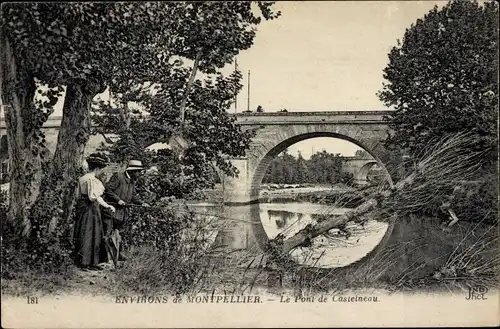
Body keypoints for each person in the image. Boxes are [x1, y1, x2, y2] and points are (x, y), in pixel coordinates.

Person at [73, 153, 116, 270]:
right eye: (100, 169)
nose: (99, 172)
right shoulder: (91, 179)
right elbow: (94, 197)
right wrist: (107, 206)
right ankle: (87, 262)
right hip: (90, 208)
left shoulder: (82, 178)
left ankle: (87, 261)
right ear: (97, 168)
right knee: (90, 233)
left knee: (84, 232)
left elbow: (79, 195)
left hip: (82, 207)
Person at [102, 159, 148, 261]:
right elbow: (108, 189)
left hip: (122, 212)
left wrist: (142, 203)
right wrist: (118, 200)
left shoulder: (132, 181)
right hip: (112, 210)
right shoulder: (118, 177)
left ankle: (119, 254)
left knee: (121, 233)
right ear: (132, 171)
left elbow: (133, 196)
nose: (139, 174)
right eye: (138, 172)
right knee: (108, 233)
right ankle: (105, 257)